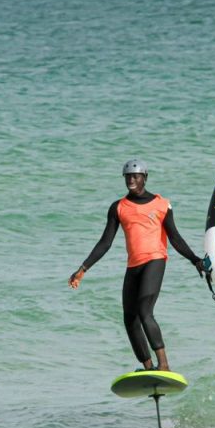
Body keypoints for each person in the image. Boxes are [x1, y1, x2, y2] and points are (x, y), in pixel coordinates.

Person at [69, 159, 205, 373]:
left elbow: (175, 238)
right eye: (128, 176)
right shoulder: (118, 207)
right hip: (133, 266)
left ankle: (164, 365)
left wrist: (195, 259)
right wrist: (83, 269)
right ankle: (148, 367)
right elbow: (105, 242)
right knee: (130, 318)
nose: (131, 180)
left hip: (155, 260)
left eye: (135, 176)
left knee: (144, 310)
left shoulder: (161, 204)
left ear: (144, 178)